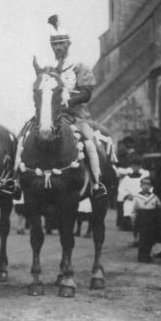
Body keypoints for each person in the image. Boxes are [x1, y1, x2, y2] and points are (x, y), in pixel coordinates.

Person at [44, 15, 106, 198]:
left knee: (89, 141)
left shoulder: (79, 66)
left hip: (76, 115)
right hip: (50, 116)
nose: (58, 47)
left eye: (61, 43)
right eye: (55, 44)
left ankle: (97, 182)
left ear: (68, 44)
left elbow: (87, 93)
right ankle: (19, 179)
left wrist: (68, 101)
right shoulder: (48, 68)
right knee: (27, 135)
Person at [132, 176, 161, 263]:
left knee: (150, 238)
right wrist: (133, 220)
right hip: (142, 218)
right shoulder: (137, 197)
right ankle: (141, 256)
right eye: (144, 184)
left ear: (151, 186)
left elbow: (158, 204)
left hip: (151, 218)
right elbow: (133, 209)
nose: (146, 186)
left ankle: (147, 255)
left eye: (148, 184)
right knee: (143, 238)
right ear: (140, 185)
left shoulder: (154, 196)